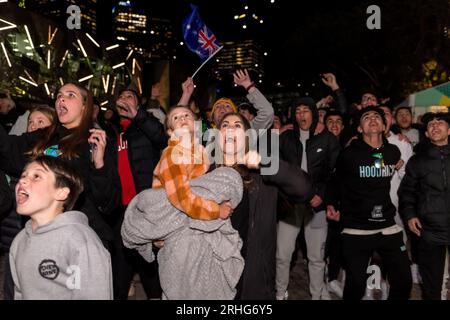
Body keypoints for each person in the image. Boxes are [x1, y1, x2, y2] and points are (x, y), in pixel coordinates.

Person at [0, 83, 121, 246]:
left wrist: (100, 165)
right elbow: (8, 149)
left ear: (85, 107)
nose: (61, 98)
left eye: (71, 95)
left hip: (82, 238)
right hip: (42, 234)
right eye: (59, 95)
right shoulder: (45, 136)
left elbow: (108, 203)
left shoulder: (95, 141)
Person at [213, 112, 314, 299]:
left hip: (253, 275)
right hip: (213, 273)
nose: (229, 129)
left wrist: (265, 163)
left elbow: (304, 188)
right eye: (225, 125)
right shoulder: (205, 172)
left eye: (237, 126)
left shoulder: (261, 175)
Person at [326, 106, 412, 300]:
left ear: (384, 125)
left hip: (388, 226)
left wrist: (399, 164)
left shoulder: (393, 151)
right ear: (359, 128)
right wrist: (331, 204)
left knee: (404, 281)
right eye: (366, 117)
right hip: (357, 228)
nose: (372, 119)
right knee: (355, 284)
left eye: (377, 117)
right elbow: (334, 181)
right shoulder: (349, 154)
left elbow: (397, 168)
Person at [9, 156, 112, 299]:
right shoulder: (19, 242)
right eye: (23, 175)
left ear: (61, 193)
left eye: (37, 176)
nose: (22, 180)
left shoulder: (80, 241)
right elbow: (20, 293)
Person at [276, 97, 341, 300]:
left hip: (316, 208)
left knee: (316, 257)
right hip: (290, 207)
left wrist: (321, 196)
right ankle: (279, 294)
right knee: (282, 256)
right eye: (298, 111)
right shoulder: (285, 137)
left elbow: (335, 173)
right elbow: (275, 169)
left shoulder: (327, 138)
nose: (301, 115)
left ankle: (316, 295)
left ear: (313, 113)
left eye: (306, 110)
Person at [108, 88, 167, 300]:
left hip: (143, 207)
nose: (124, 100)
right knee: (120, 265)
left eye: (129, 97)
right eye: (121, 97)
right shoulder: (110, 130)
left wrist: (139, 115)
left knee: (148, 262)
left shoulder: (144, 126)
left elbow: (163, 138)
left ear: (138, 103)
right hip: (118, 209)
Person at [0, 105, 57, 300]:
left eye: (41, 122)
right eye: (31, 122)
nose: (33, 126)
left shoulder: (53, 157)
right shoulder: (18, 151)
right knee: (12, 283)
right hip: (11, 234)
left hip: (41, 238)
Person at [398, 112, 450, 300]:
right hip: (430, 230)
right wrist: (410, 215)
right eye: (430, 125)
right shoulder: (418, 160)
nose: (435, 126)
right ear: (426, 134)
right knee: (431, 286)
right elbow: (406, 192)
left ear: (449, 130)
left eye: (440, 123)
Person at [152, 105, 232, 220]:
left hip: (189, 214)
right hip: (169, 216)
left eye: (186, 115)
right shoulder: (172, 154)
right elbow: (180, 197)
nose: (182, 118)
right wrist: (216, 211)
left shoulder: (200, 151)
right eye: (176, 118)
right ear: (170, 131)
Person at [178, 70, 274, 129]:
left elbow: (267, 112)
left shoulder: (245, 130)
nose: (222, 108)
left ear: (236, 114)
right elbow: (177, 123)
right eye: (217, 107)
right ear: (211, 117)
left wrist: (248, 86)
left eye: (228, 106)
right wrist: (186, 95)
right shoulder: (203, 131)